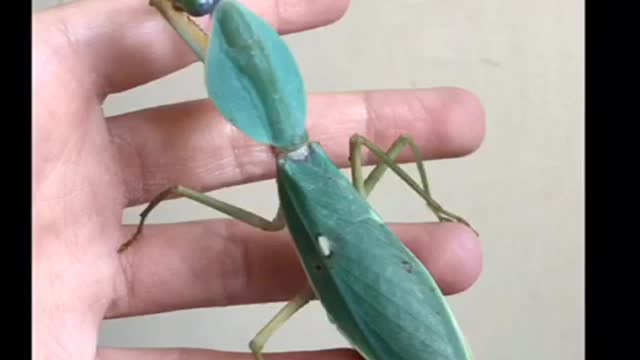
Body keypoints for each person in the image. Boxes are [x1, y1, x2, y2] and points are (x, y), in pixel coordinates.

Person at [33, 0, 486, 359]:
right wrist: (436, 210)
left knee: (259, 342)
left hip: (367, 271)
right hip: (364, 276)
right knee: (397, 143)